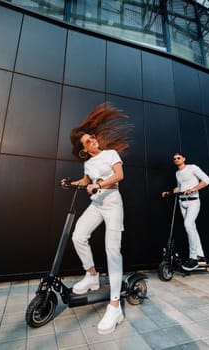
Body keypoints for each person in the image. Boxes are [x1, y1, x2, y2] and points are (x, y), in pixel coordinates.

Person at [61, 102, 131, 335]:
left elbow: (119, 175)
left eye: (92, 137)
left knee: (112, 250)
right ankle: (91, 275)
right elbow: (85, 181)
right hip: (96, 204)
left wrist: (98, 184)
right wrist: (71, 183)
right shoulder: (88, 162)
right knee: (78, 236)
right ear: (84, 150)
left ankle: (114, 306)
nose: (92, 140)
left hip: (112, 203)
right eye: (87, 141)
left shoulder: (111, 153)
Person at [162, 152, 209, 271]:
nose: (176, 160)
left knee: (188, 225)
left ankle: (193, 258)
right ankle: (201, 256)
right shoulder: (177, 173)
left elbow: (207, 180)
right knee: (192, 228)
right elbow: (180, 187)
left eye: (178, 158)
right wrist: (169, 192)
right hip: (182, 202)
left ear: (184, 158)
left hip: (193, 201)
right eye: (174, 159)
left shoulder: (192, 168)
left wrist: (193, 189)